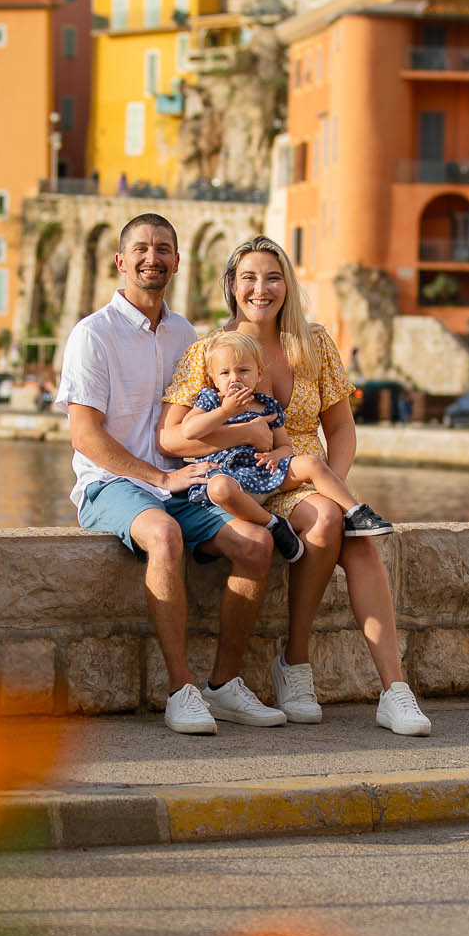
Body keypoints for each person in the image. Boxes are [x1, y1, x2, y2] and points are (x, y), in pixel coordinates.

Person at [160, 236, 432, 737]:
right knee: (330, 518)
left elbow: (342, 427)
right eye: (249, 278)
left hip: (304, 472)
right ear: (231, 285)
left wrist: (334, 481)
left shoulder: (316, 343)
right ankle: (297, 664)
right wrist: (246, 434)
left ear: (287, 284)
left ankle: (395, 691)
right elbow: (173, 437)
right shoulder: (209, 351)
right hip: (245, 477)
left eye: (273, 277)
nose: (260, 289)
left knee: (354, 536)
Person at [53, 213, 286, 736]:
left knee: (256, 544)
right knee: (164, 535)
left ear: (177, 262)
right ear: (120, 260)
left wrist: (250, 438)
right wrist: (158, 480)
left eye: (163, 249)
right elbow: (85, 436)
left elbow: (197, 422)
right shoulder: (93, 335)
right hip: (110, 485)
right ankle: (182, 691)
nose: (152, 257)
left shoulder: (186, 335)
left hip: (181, 480)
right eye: (141, 248)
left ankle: (224, 685)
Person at [174, 329, 393, 564]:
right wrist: (225, 411)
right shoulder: (211, 400)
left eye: (243, 371)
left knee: (311, 463)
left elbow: (285, 446)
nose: (234, 378)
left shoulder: (267, 406)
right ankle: (272, 524)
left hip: (264, 474)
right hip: (230, 479)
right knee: (219, 489)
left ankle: (354, 512)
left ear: (259, 374)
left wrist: (277, 455)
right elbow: (190, 430)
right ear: (213, 378)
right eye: (225, 373)